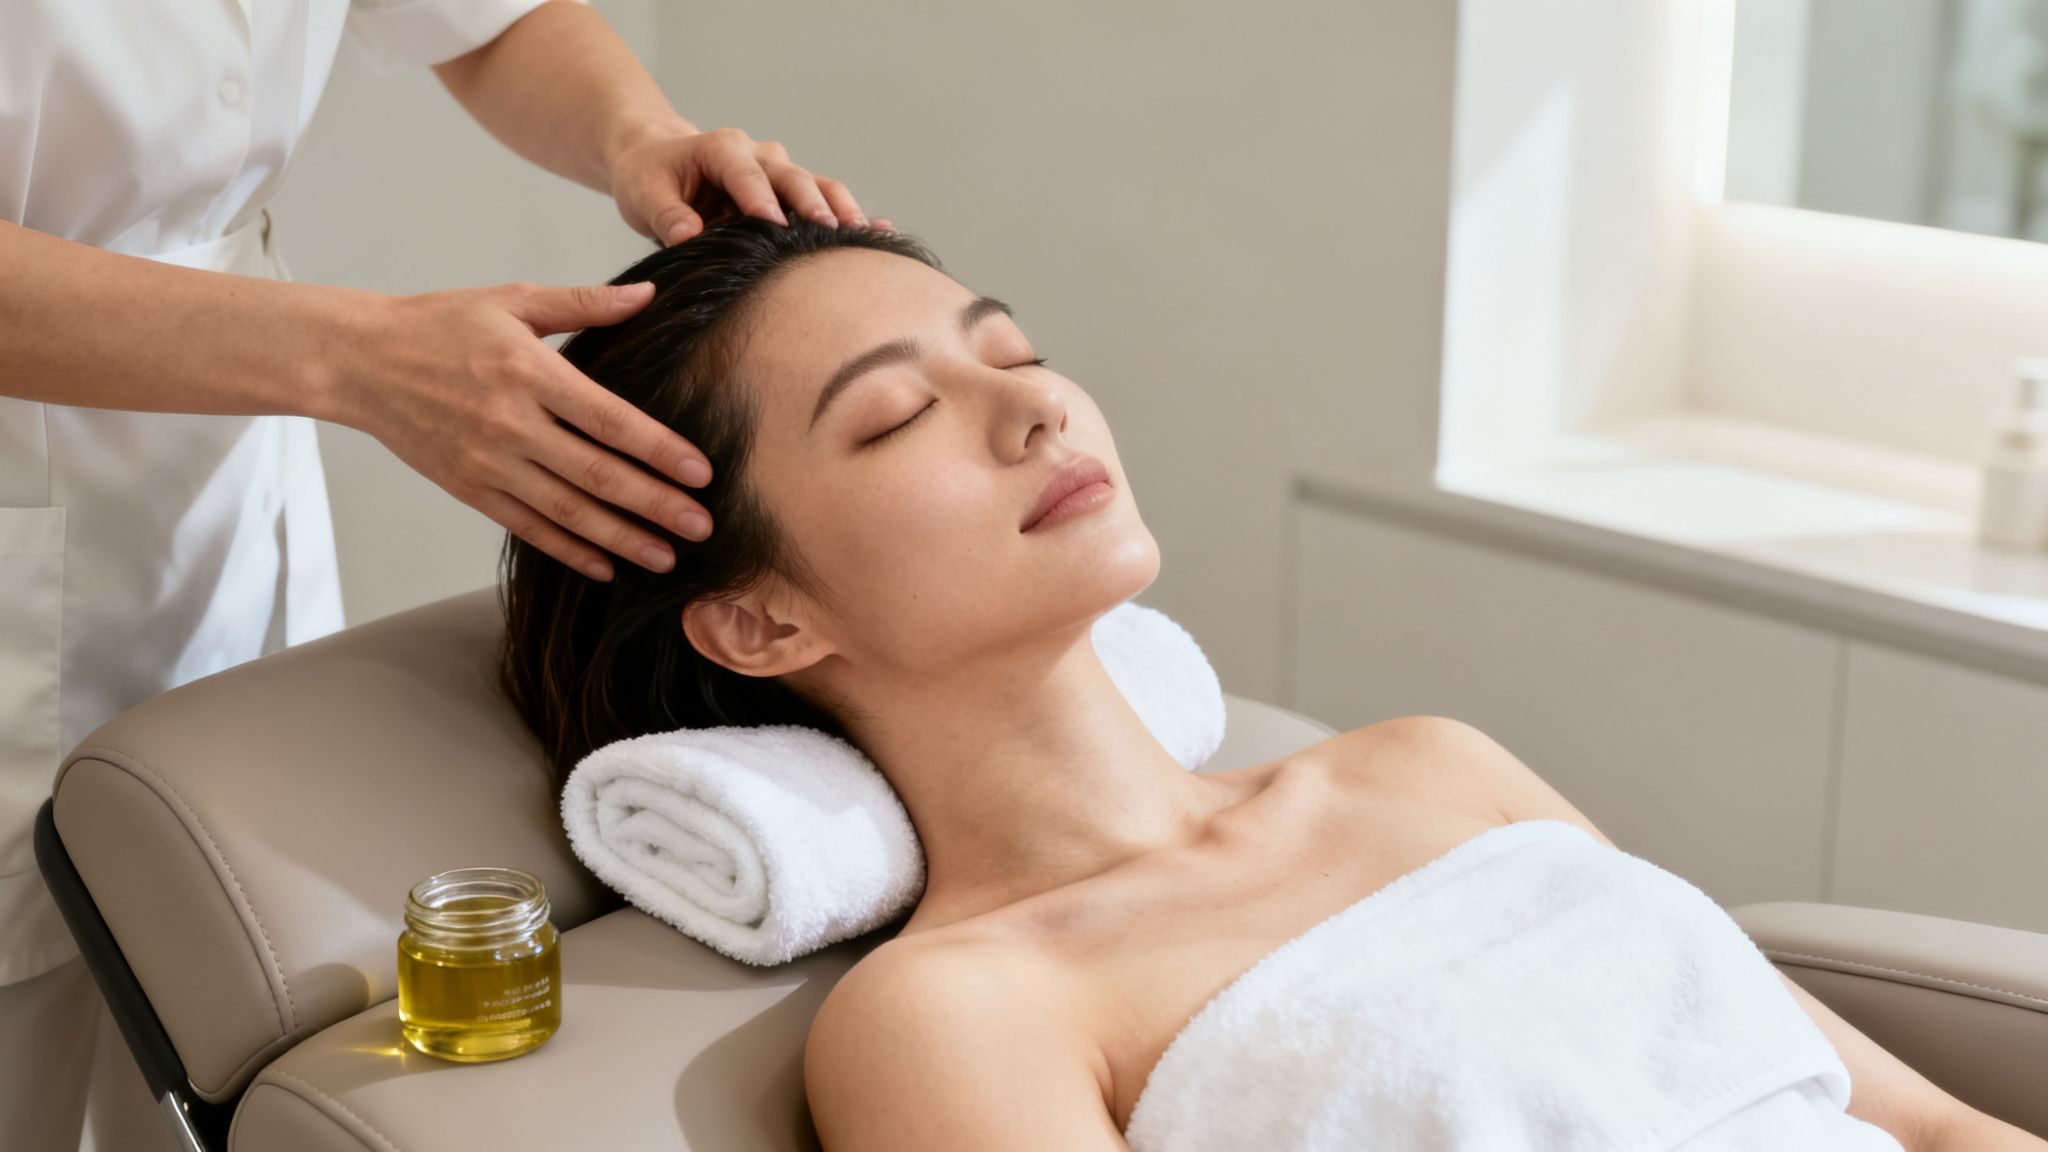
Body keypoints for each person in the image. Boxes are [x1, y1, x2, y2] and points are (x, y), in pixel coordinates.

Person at [497, 217, 2048, 1151]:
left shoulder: (1429, 770)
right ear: (759, 622)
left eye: (1012, 348)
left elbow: (1923, 1124)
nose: (1032, 406)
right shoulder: (961, 1013)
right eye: (898, 416)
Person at [0, 2, 874, 1148]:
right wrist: (350, 358)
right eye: (893, 415)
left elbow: (483, 15)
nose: (1044, 419)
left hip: (210, 490)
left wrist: (636, 133)